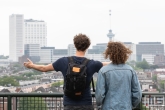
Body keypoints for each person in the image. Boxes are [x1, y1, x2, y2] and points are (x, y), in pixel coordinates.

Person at [24, 33, 110, 110]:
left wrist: (31, 65)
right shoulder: (92, 64)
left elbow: (44, 68)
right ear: (87, 47)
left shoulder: (64, 61)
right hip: (85, 103)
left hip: (69, 103)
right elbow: (108, 65)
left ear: (75, 45)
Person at [95, 41, 142, 110]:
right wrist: (131, 105)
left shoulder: (103, 71)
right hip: (126, 107)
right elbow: (137, 93)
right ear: (124, 53)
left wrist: (100, 105)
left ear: (109, 54)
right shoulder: (130, 70)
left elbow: (99, 95)